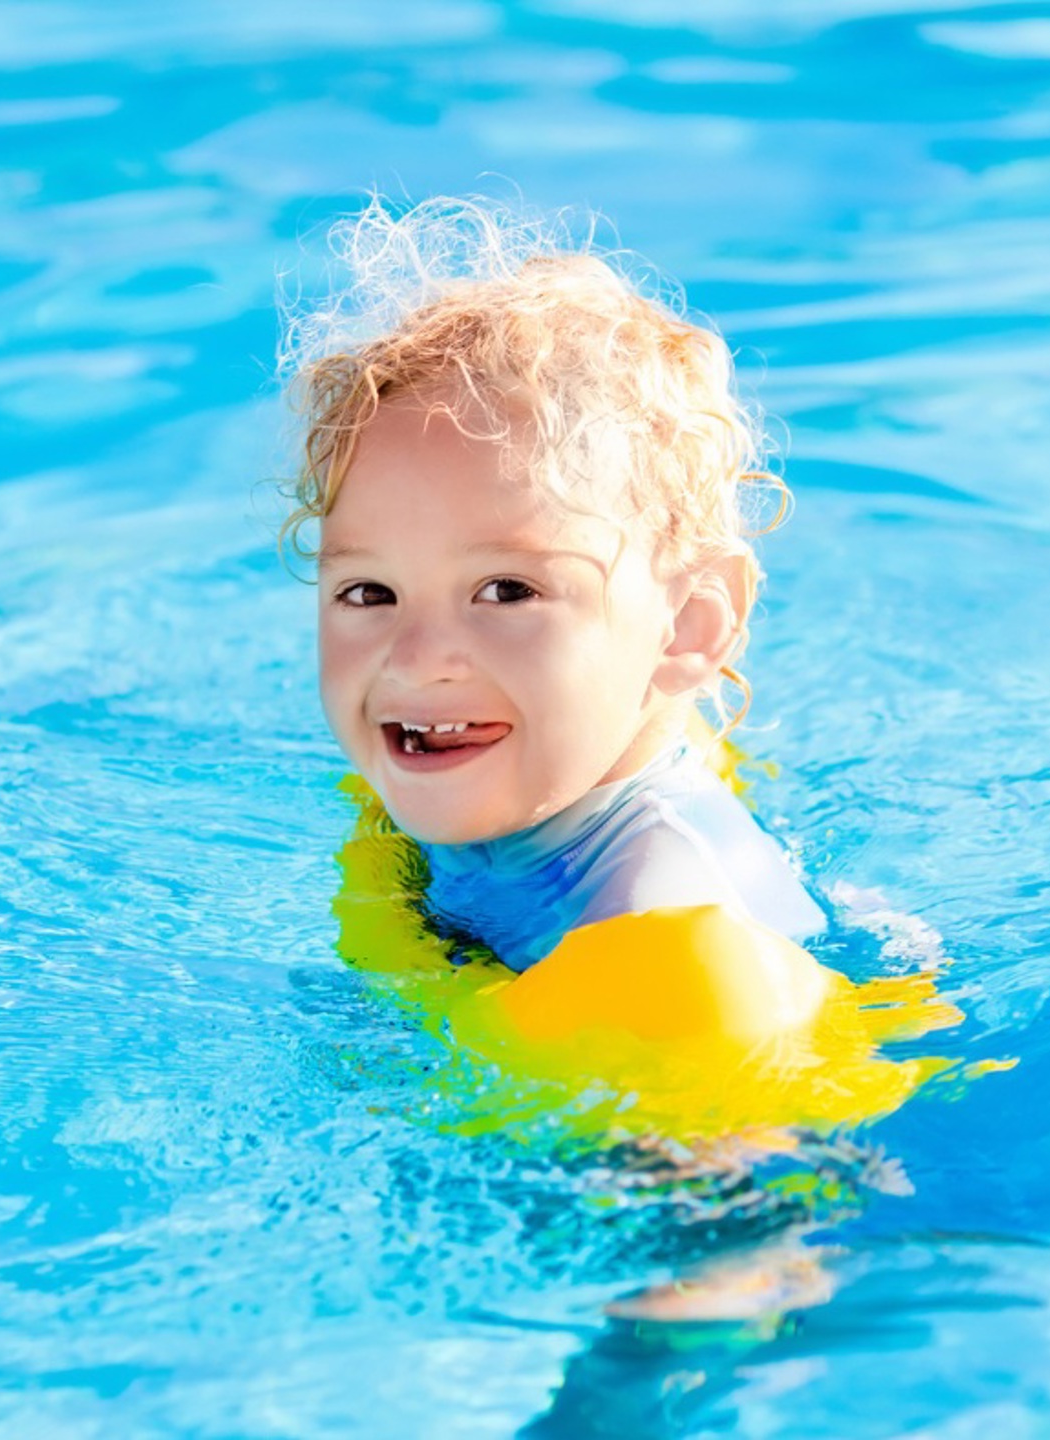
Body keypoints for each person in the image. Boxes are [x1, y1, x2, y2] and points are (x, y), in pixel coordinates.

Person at [282, 196, 843, 1051]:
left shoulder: (674, 960)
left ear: (687, 628)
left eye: (507, 591)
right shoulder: (504, 748)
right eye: (369, 593)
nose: (415, 661)